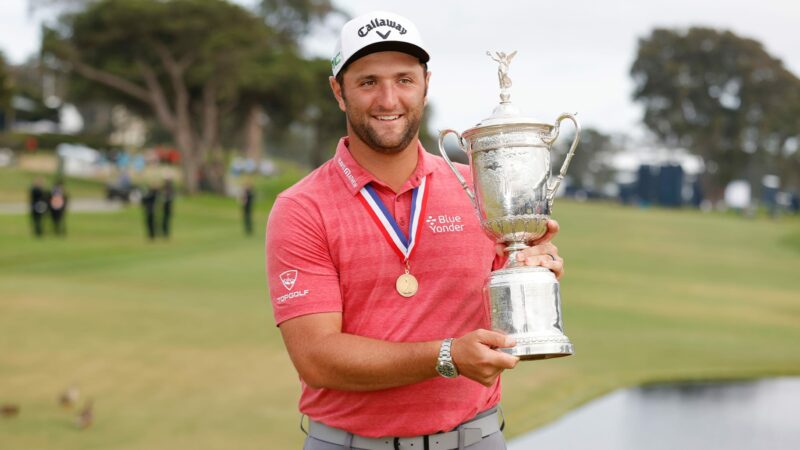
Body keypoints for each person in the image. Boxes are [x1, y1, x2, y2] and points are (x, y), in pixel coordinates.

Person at [265, 11, 565, 450]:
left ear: (425, 83)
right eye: (368, 82)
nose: (389, 99)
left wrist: (534, 268)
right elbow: (318, 360)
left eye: (404, 79)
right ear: (338, 91)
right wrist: (447, 356)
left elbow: (510, 317)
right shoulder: (302, 208)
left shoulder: (478, 188)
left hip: (476, 438)